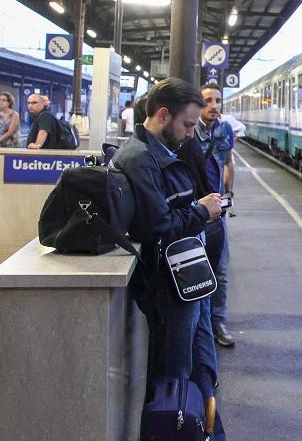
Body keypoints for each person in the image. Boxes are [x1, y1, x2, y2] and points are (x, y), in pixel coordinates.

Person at [110, 78, 222, 425]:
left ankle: (204, 426)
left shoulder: (153, 153)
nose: (191, 133)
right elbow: (159, 226)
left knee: (199, 360)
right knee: (175, 370)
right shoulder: (141, 160)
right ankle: (179, 427)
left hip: (185, 272)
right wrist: (202, 211)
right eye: (187, 124)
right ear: (162, 115)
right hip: (169, 283)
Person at [196, 82, 236, 348]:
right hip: (194, 210)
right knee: (196, 268)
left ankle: (217, 322)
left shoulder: (225, 130)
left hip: (218, 211)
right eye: (208, 100)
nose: (214, 105)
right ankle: (198, 323)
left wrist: (230, 191)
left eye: (218, 100)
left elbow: (228, 161)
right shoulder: (189, 131)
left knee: (220, 270)